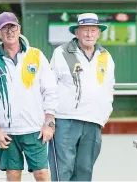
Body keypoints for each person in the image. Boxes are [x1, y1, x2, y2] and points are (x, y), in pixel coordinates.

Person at [0, 12, 58, 181]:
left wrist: (49, 123)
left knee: (42, 174)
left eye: (12, 27)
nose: (9, 32)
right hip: (6, 131)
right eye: (4, 28)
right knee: (13, 175)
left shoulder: (35, 55)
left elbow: (50, 90)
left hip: (34, 128)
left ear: (19, 29)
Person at [48, 13, 115, 181]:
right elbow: (49, 87)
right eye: (85, 30)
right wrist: (49, 117)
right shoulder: (61, 53)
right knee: (63, 170)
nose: (89, 34)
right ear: (76, 32)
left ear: (99, 33)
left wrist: (104, 115)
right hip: (65, 120)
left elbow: (109, 89)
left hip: (93, 122)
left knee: (85, 170)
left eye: (93, 30)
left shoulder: (106, 56)